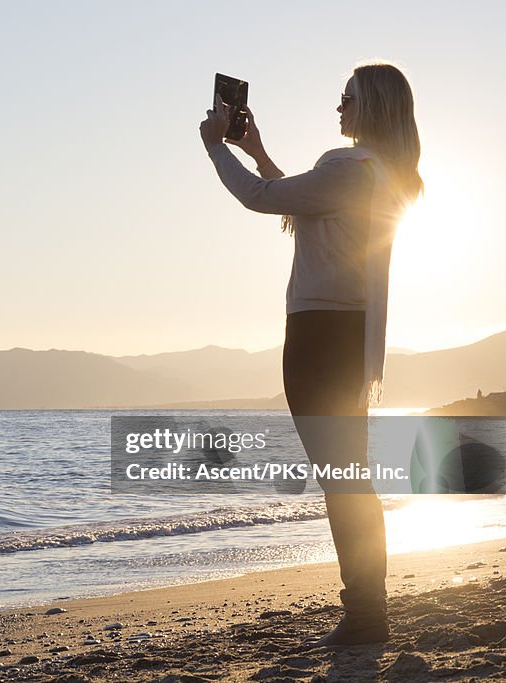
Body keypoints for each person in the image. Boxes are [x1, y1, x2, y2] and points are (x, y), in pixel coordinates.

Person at [198, 63, 423, 646]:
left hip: (321, 336)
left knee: (341, 477)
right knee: (349, 474)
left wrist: (214, 149)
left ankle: (367, 614)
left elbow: (260, 199)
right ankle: (369, 609)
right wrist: (256, 148)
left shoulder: (346, 165)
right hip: (348, 335)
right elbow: (300, 208)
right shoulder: (380, 173)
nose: (338, 108)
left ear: (370, 106)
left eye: (347, 98)